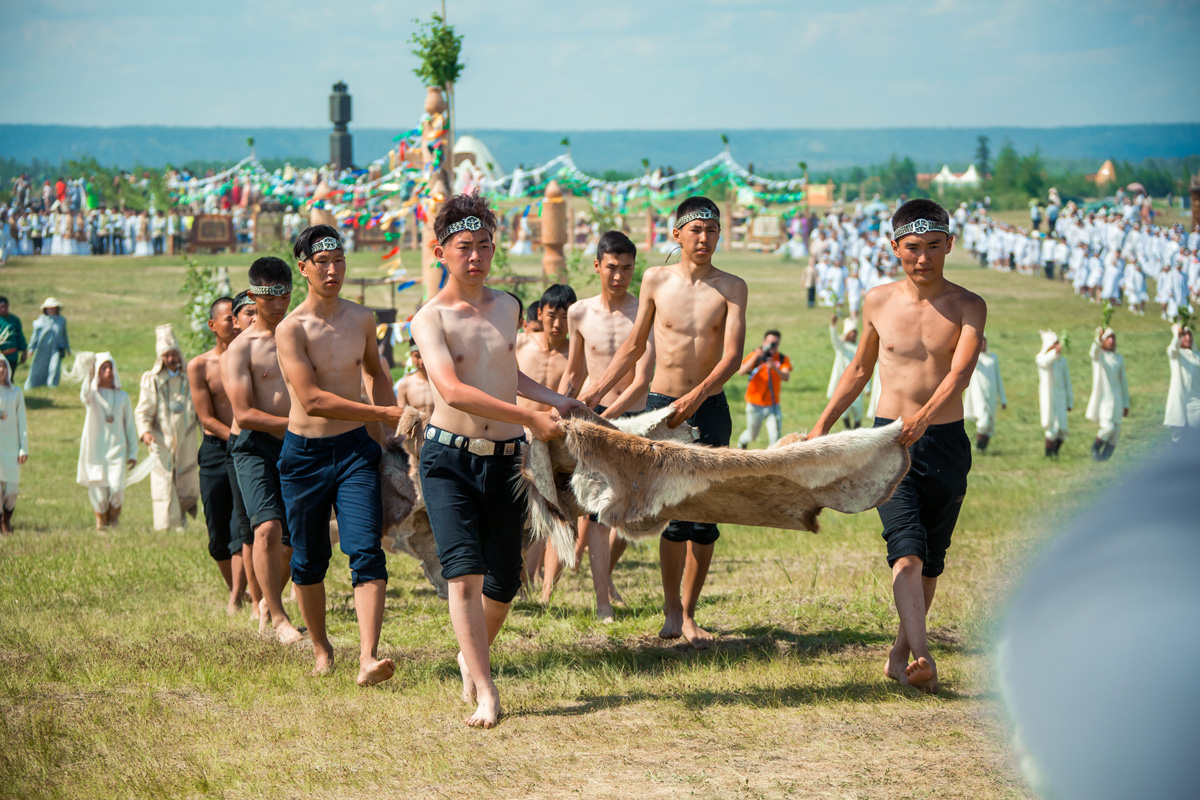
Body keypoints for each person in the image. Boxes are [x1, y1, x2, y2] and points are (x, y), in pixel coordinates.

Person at [410, 192, 581, 728]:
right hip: (449, 460)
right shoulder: (429, 318)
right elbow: (453, 390)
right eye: (464, 247)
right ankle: (485, 689)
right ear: (441, 252)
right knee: (463, 572)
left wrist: (555, 401)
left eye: (485, 245)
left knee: (505, 581)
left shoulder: (508, 306)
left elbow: (508, 372)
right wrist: (531, 417)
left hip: (507, 461)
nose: (476, 257)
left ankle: (471, 654)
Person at [807, 198, 987, 694]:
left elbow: (960, 374)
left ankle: (899, 655)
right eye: (912, 247)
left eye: (933, 246)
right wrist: (822, 426)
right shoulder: (877, 301)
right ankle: (924, 658)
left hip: (945, 443)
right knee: (905, 551)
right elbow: (859, 370)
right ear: (894, 247)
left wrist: (924, 419)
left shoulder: (969, 305)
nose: (923, 258)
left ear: (950, 244)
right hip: (889, 443)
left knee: (931, 559)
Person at [580, 195, 748, 650]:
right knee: (671, 515)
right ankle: (672, 610)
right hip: (663, 407)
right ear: (677, 234)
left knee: (706, 517)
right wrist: (593, 395)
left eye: (712, 230)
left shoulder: (732, 287)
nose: (704, 238)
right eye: (696, 230)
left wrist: (698, 395)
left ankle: (690, 614)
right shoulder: (656, 279)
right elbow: (634, 347)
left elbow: (732, 356)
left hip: (708, 407)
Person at [275, 225, 403, 684]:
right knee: (308, 560)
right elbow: (311, 400)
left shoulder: (363, 319)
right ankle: (321, 648)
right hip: (304, 455)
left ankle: (368, 657)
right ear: (303, 267)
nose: (333, 270)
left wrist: (391, 432)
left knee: (366, 550)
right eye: (322, 262)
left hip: (354, 451)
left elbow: (376, 373)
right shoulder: (291, 329)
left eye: (339, 260)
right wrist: (379, 411)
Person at [558, 230, 655, 621]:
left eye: (627, 268)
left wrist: (609, 416)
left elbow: (642, 380)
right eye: (612, 268)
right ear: (597, 265)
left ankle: (607, 576)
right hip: (594, 423)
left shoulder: (644, 311)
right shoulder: (579, 313)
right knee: (597, 514)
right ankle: (602, 602)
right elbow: (574, 373)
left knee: (634, 514)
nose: (619, 276)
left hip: (635, 420)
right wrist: (559, 409)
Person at [222, 257, 302, 644]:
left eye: (284, 295)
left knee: (292, 540)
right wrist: (296, 424)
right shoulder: (240, 349)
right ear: (254, 296)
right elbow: (244, 414)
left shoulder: (300, 335)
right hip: (253, 445)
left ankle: (270, 602)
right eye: (269, 297)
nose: (278, 304)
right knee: (266, 528)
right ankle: (279, 618)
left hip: (297, 443)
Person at [514, 283, 577, 601]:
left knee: (561, 513)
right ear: (540, 313)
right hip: (516, 437)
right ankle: (520, 583)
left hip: (556, 442)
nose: (557, 324)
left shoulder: (575, 354)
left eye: (566, 317)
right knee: (517, 517)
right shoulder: (520, 344)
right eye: (552, 315)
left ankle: (548, 592)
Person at [188, 297, 248, 613]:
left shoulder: (250, 358)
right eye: (228, 319)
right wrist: (236, 437)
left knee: (241, 528)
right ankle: (235, 589)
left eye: (238, 318)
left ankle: (236, 596)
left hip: (247, 448)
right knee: (218, 534)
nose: (235, 325)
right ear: (213, 325)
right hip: (215, 450)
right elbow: (207, 419)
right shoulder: (199, 366)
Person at [223, 292, 264, 622]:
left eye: (256, 311)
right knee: (251, 530)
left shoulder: (281, 343)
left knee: (283, 528)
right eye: (248, 312)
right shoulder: (234, 355)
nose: (254, 316)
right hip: (245, 443)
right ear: (235, 321)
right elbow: (244, 413)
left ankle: (271, 598)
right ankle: (255, 602)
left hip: (281, 440)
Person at [136, 324, 200, 530]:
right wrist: (145, 432)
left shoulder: (189, 377)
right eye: (166, 355)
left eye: (174, 354)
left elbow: (200, 407)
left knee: (186, 479)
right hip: (162, 439)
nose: (171, 359)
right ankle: (166, 525)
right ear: (160, 358)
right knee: (164, 481)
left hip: (186, 437)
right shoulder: (153, 380)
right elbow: (143, 411)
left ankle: (182, 519)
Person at [73, 353, 138, 529]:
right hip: (95, 450)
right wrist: (89, 374)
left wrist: (133, 452)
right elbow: (84, 394)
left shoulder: (123, 397)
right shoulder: (93, 395)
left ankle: (114, 518)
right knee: (98, 491)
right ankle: (101, 523)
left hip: (117, 450)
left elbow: (130, 426)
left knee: (117, 488)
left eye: (110, 367)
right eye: (103, 368)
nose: (108, 371)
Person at [736, 329, 791, 448]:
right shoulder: (756, 356)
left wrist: (774, 368)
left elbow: (786, 377)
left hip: (773, 404)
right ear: (764, 342)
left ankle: (772, 457)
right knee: (752, 435)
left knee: (775, 436)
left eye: (776, 344)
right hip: (755, 404)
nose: (773, 346)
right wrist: (756, 355)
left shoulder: (781, 359)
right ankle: (742, 442)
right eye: (771, 343)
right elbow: (741, 371)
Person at [1085, 327, 1129, 462]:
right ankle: (1095, 449)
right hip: (1104, 401)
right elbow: (1093, 352)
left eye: (1113, 338)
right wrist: (1098, 339)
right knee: (1108, 428)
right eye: (1108, 338)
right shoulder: (1100, 357)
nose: (1111, 340)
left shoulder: (1119, 359)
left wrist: (1126, 403)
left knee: (1116, 433)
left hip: (1117, 401)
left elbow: (1123, 382)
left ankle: (1104, 460)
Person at [962, 335, 1006, 452]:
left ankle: (982, 448)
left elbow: (998, 378)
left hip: (991, 395)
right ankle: (978, 446)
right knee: (983, 421)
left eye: (983, 341)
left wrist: (1003, 399)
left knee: (990, 424)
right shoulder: (974, 358)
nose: (982, 344)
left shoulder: (993, 358)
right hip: (978, 394)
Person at [0, 359, 28, 534]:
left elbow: (22, 422)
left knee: (12, 488)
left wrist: (23, 448)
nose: (1, 369)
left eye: (3, 366)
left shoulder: (16, 393)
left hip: (11, 448)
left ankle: (7, 517)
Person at [1036, 330, 1073, 457]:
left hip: (1060, 398)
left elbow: (1067, 382)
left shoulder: (1062, 362)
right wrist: (1054, 352)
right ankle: (1049, 454)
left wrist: (1069, 401)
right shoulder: (1041, 358)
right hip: (1048, 398)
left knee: (1062, 429)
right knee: (1050, 428)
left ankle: (1055, 451)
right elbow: (1045, 362)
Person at [827, 313, 866, 429]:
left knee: (858, 410)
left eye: (855, 332)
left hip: (856, 382)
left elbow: (864, 366)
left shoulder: (859, 348)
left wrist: (867, 388)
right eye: (851, 332)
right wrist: (833, 325)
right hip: (843, 382)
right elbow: (835, 340)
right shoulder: (842, 347)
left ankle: (856, 428)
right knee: (843, 409)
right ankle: (847, 428)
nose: (853, 334)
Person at [25, 297, 70, 389]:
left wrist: (67, 348)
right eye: (49, 308)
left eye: (53, 308)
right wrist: (31, 348)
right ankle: (35, 384)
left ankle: (52, 385)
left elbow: (64, 335)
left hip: (57, 348)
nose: (51, 310)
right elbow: (35, 335)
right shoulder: (41, 320)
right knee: (39, 367)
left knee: (54, 366)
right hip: (43, 348)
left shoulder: (61, 320)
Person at [1164, 323, 1199, 439]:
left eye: (1190, 335)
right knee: (1178, 437)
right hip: (1179, 401)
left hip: (1196, 403)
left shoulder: (1198, 356)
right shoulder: (1177, 355)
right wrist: (1176, 335)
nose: (1188, 338)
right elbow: (1171, 351)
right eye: (1184, 335)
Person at [392, 339, 435, 417]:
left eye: (424, 355)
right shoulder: (405, 385)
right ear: (411, 356)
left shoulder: (440, 383)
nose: (421, 362)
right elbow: (401, 417)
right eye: (417, 356)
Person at [0, 297, 27, 379]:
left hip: (12, 355)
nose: (3, 309)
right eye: (1, 307)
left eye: (5, 306)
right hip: (1, 356)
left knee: (9, 378)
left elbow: (20, 336)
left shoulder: (14, 320)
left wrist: (24, 351)